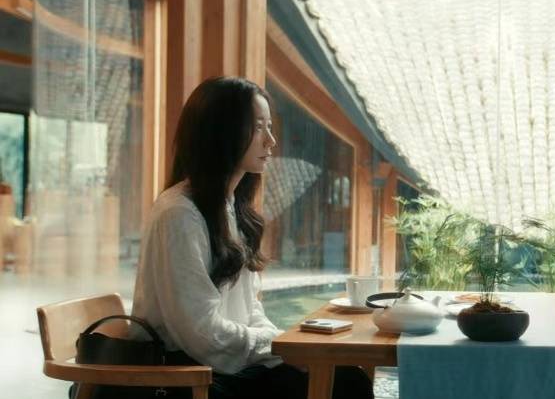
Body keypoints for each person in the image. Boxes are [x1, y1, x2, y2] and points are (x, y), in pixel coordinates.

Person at [80, 77, 372, 399]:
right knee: (341, 385)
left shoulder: (231, 208)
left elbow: (250, 309)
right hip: (182, 376)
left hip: (222, 368)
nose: (271, 140)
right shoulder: (179, 214)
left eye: (269, 126)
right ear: (221, 133)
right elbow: (201, 334)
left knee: (345, 378)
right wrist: (279, 348)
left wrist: (282, 348)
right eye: (258, 128)